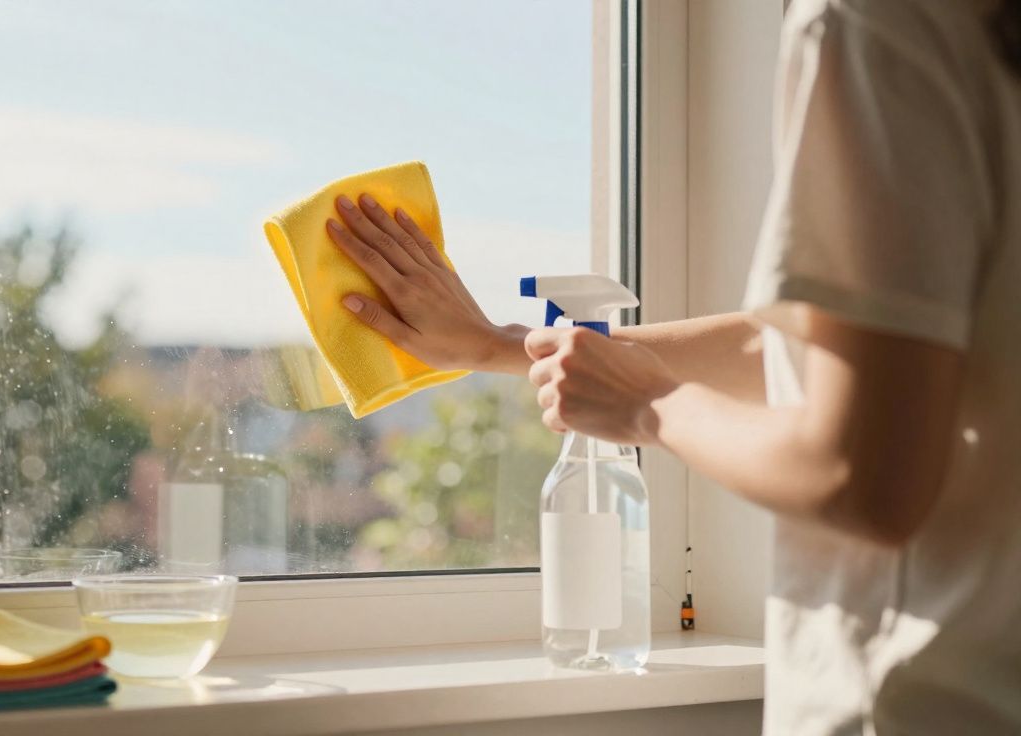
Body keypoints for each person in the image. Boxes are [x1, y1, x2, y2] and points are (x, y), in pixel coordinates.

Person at [323, 0, 1021, 733]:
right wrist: (502, 347)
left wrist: (649, 405)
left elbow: (866, 477)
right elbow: (827, 347)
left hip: (924, 702)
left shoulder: (880, 20)